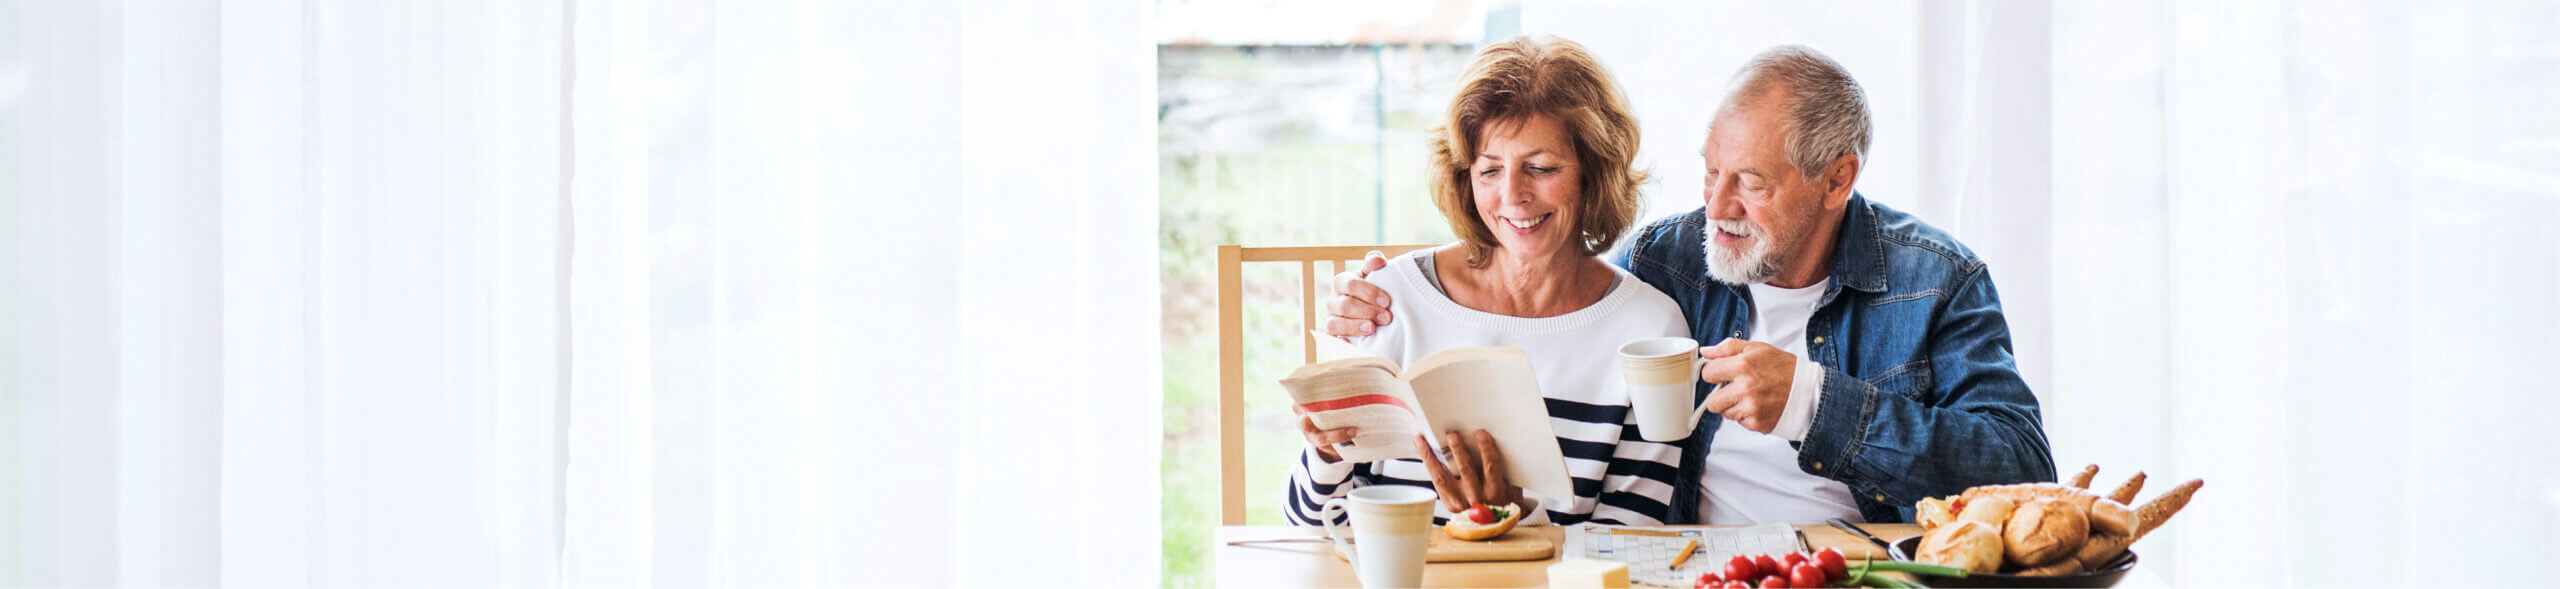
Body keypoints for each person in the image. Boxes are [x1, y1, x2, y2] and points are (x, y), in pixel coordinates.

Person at [1324, 45, 2055, 525]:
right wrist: (1389, 294)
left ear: (1838, 178)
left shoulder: (1936, 280)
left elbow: (2025, 471)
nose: (1717, 206)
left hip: (1857, 563)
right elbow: (1541, 298)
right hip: (1685, 566)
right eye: (1711, 171)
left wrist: (1812, 402)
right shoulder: (1671, 259)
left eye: (1751, 183)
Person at [1284, 36, 1691, 527]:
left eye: (1540, 168)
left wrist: (1515, 523)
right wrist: (1326, 456)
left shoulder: (1650, 330)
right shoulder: (1388, 300)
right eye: (1489, 170)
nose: (1512, 196)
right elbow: (1308, 522)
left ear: (1594, 173)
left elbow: (1632, 537)